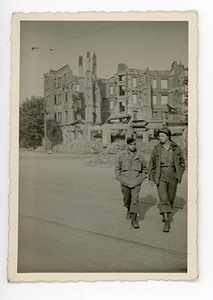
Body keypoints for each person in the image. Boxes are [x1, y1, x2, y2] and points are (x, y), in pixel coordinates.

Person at [148, 127, 185, 232]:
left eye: (162, 136)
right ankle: (166, 220)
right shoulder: (156, 148)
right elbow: (152, 163)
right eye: (159, 136)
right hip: (161, 175)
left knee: (170, 198)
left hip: (173, 175)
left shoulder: (176, 148)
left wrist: (179, 174)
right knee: (163, 198)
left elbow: (182, 163)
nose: (160, 138)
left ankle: (166, 213)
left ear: (168, 136)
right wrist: (151, 178)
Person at [115, 137, 147, 229]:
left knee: (135, 200)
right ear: (127, 145)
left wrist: (141, 178)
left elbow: (145, 168)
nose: (133, 146)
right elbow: (117, 168)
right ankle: (128, 209)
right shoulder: (122, 155)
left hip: (136, 182)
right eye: (130, 144)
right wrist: (120, 177)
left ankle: (134, 219)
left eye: (134, 144)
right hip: (125, 182)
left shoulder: (140, 156)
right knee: (127, 199)